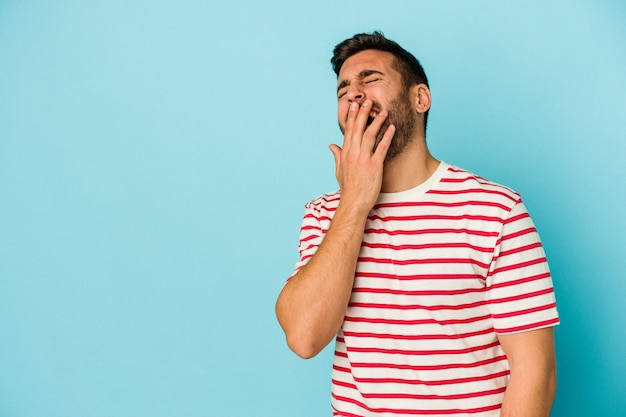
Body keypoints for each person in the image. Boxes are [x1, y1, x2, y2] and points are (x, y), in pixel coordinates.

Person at [275, 31, 559, 417]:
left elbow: (534, 371)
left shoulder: (494, 209)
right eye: (343, 90)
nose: (354, 93)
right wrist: (355, 202)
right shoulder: (325, 214)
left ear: (420, 98)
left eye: (371, 79)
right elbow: (304, 337)